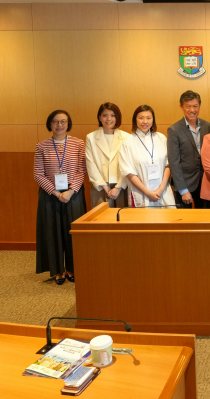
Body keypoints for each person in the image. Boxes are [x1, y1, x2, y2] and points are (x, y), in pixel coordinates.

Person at [34, 110, 86, 285]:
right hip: (50, 195)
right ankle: (57, 270)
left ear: (68, 124)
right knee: (53, 232)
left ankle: (72, 268)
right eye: (55, 121)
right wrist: (56, 192)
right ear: (50, 124)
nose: (59, 125)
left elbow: (82, 170)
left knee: (73, 231)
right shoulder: (41, 146)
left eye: (63, 121)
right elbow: (38, 174)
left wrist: (70, 191)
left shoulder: (78, 144)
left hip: (74, 194)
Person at [119, 105, 175, 208]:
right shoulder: (128, 142)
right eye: (141, 118)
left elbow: (168, 164)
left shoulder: (161, 138)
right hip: (141, 193)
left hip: (163, 191)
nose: (145, 121)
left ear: (153, 120)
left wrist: (160, 189)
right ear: (135, 120)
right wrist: (148, 193)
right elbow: (128, 172)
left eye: (148, 118)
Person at [167, 90, 210, 209]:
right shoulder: (174, 130)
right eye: (188, 106)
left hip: (205, 183)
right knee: (184, 219)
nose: (192, 110)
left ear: (199, 106)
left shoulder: (207, 126)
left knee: (205, 218)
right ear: (181, 107)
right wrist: (182, 190)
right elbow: (174, 162)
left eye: (195, 106)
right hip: (185, 185)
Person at [84, 102, 130, 209]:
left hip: (122, 184)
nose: (109, 119)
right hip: (100, 186)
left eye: (113, 115)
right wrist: (105, 186)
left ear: (117, 118)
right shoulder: (91, 137)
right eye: (105, 115)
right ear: (100, 117)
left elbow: (129, 164)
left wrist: (118, 187)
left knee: (122, 215)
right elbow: (90, 164)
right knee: (101, 216)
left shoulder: (127, 137)